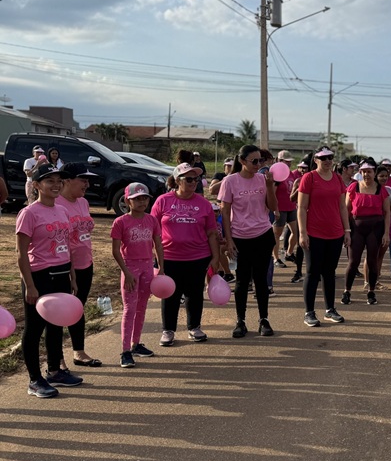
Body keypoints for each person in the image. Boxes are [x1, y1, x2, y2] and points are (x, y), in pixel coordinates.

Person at [16, 164, 82, 398]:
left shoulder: (62, 211)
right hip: (39, 277)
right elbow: (21, 253)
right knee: (34, 329)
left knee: (57, 326)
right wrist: (30, 285)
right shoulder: (29, 213)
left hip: (61, 274)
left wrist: (72, 275)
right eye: (49, 181)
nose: (56, 185)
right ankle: (34, 380)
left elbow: (67, 247)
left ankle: (55, 371)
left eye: (59, 181)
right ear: (36, 185)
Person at [150, 162, 219, 346]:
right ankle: (168, 330)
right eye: (188, 179)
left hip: (198, 257)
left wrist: (216, 256)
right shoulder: (163, 201)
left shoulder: (203, 204)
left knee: (194, 293)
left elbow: (211, 233)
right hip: (169, 257)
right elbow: (153, 230)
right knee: (170, 294)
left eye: (196, 179)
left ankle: (194, 327)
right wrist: (153, 255)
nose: (193, 182)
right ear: (177, 181)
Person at [219, 145, 278, 337]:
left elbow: (273, 207)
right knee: (242, 282)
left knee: (261, 280)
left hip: (263, 235)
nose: (259, 164)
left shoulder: (263, 179)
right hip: (240, 237)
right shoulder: (230, 181)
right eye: (254, 161)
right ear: (242, 161)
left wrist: (270, 186)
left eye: (261, 160)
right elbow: (225, 212)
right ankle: (240, 321)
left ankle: (264, 319)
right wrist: (228, 240)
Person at [111, 183, 164, 367]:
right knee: (129, 309)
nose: (142, 202)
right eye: (137, 199)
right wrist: (126, 272)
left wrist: (161, 268)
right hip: (130, 268)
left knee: (142, 307)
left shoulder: (151, 220)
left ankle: (136, 344)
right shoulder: (121, 222)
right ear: (127, 201)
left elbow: (158, 244)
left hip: (148, 267)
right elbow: (116, 251)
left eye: (145, 198)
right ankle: (125, 351)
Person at [298, 146, 351, 326]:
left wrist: (347, 230)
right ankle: (309, 312)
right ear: (316, 160)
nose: (328, 160)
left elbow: (342, 207)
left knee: (329, 272)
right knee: (312, 273)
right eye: (323, 158)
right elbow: (301, 208)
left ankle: (330, 309)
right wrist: (303, 233)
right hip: (314, 233)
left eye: (330, 157)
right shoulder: (309, 178)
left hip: (335, 233)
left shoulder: (337, 178)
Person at [57, 162, 102, 368]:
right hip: (64, 267)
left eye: (88, 180)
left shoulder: (82, 202)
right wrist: (70, 270)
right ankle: (57, 359)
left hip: (86, 263)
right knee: (58, 313)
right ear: (66, 180)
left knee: (77, 309)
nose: (87, 184)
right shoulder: (56, 204)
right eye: (83, 180)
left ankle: (79, 351)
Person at [342, 160, 391, 305]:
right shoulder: (353, 187)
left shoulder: (381, 190)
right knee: (353, 261)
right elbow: (346, 211)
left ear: (374, 172)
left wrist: (386, 233)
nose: (366, 174)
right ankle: (347, 291)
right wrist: (346, 231)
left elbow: (387, 212)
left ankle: (371, 291)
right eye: (363, 171)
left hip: (375, 228)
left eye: (369, 171)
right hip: (356, 228)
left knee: (372, 261)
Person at [272, 150, 299, 269]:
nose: (288, 164)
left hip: (291, 207)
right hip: (280, 208)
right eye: (286, 161)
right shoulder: (276, 175)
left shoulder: (291, 174)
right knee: (277, 235)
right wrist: (275, 209)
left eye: (290, 162)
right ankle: (276, 258)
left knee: (296, 231)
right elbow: (272, 193)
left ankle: (288, 253)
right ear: (280, 161)